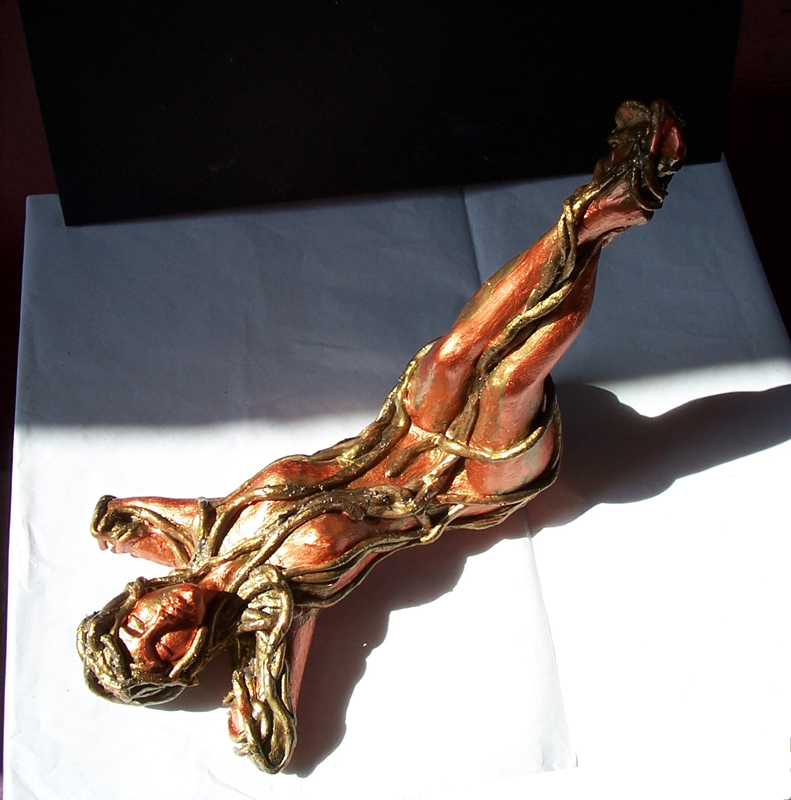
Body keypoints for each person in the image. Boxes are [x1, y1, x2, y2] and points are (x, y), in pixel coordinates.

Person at [78, 99, 685, 773]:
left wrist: (117, 524)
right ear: (188, 664)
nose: (161, 626)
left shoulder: (209, 530)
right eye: (160, 652)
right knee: (510, 380)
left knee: (456, 354)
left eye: (138, 625)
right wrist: (255, 711)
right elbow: (275, 730)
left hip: (403, 430)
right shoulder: (272, 612)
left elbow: (124, 517)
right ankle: (608, 219)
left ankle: (604, 204)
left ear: (133, 599)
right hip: (468, 484)